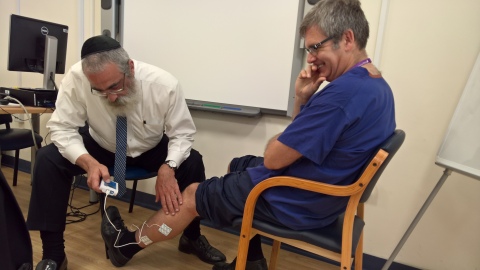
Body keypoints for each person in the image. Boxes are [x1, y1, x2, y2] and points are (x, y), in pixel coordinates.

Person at [100, 0, 396, 269]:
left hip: (296, 201)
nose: (311, 59)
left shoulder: (341, 95)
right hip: (322, 192)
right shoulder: (375, 84)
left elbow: (275, 157)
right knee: (238, 164)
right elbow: (303, 140)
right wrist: (301, 100)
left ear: (347, 38)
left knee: (191, 195)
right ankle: (251, 261)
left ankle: (125, 246)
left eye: (316, 47)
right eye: (309, 50)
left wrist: (290, 129)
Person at [26, 35, 226, 270]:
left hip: (149, 146)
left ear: (129, 68)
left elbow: (182, 134)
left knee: (192, 161)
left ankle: (191, 237)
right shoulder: (77, 76)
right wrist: (88, 162)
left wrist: (168, 166)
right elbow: (61, 127)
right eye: (99, 90)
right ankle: (54, 255)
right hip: (100, 144)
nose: (110, 97)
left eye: (114, 86)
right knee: (47, 158)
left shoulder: (164, 85)